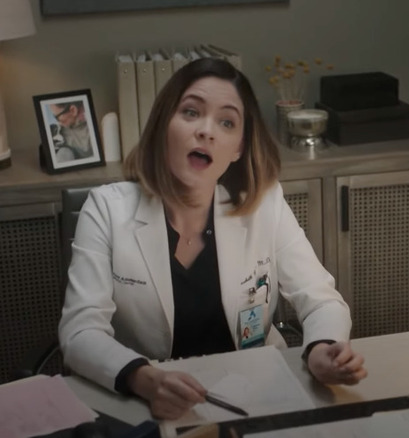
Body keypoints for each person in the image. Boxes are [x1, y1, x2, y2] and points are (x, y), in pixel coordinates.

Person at [58, 58, 367, 420]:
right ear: (163, 126)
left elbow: (321, 301)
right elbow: (80, 331)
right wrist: (145, 380)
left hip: (254, 394)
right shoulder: (107, 210)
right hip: (148, 404)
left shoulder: (264, 203)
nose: (207, 131)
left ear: (237, 147)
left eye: (227, 122)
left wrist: (321, 349)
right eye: (191, 112)